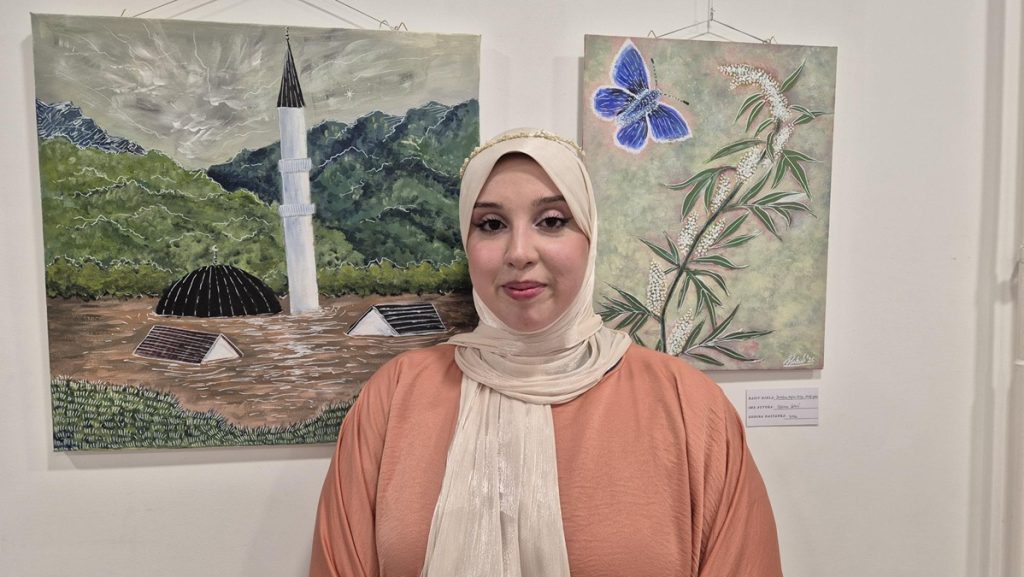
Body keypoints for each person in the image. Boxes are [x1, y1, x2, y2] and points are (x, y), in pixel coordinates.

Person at [309, 128, 783, 577]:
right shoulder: (396, 397)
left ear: (589, 238)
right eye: (491, 224)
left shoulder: (688, 408)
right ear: (467, 243)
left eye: (552, 221)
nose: (519, 252)